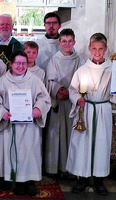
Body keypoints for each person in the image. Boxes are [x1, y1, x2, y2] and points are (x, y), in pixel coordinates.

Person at [66, 33, 116, 195]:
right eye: (94, 48)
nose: (97, 52)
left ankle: (99, 180)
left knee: (101, 145)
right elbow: (72, 89)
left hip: (103, 109)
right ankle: (82, 179)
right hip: (86, 110)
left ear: (105, 49)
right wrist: (78, 100)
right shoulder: (82, 69)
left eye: (100, 49)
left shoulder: (112, 69)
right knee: (82, 144)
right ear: (89, 49)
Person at [0, 50, 51, 196]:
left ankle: (29, 182)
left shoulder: (34, 79)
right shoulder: (3, 81)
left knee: (29, 153)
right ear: (11, 64)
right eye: (17, 63)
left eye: (23, 63)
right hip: (10, 125)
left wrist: (38, 108)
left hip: (29, 125)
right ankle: (16, 182)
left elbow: (44, 98)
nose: (20, 66)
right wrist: (2, 113)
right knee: (12, 153)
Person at [45, 28, 84, 177]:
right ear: (59, 42)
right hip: (59, 102)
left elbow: (83, 79)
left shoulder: (79, 60)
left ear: (74, 42)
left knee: (70, 135)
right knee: (56, 136)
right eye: (64, 41)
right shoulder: (54, 59)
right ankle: (55, 168)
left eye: (70, 41)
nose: (67, 44)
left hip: (73, 102)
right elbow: (50, 79)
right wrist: (58, 90)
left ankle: (70, 169)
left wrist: (70, 92)